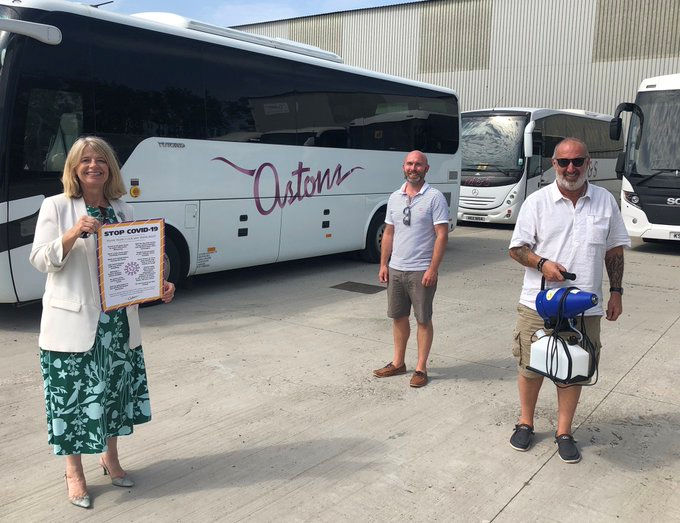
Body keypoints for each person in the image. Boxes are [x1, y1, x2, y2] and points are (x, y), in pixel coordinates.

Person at [30, 136, 175, 508]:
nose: (94, 166)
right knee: (72, 403)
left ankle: (110, 458)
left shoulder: (122, 210)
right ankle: (73, 471)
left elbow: (135, 266)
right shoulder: (56, 207)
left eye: (101, 160)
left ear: (110, 168)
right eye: (85, 160)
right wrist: (73, 232)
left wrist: (159, 285)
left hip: (118, 327)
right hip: (73, 326)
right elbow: (40, 260)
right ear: (74, 168)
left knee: (112, 396)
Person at [507, 137, 630, 463]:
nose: (571, 168)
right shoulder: (536, 203)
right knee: (531, 366)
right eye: (564, 162)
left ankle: (564, 431)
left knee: (573, 368)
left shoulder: (605, 201)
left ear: (589, 163)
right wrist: (541, 263)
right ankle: (525, 422)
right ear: (553, 164)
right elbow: (516, 249)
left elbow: (614, 250)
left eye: (578, 161)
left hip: (586, 305)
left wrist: (616, 291)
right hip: (539, 303)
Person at [372, 150, 449, 388]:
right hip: (396, 268)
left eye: (418, 164)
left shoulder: (434, 197)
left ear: (426, 169)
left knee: (423, 319)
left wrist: (432, 268)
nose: (413, 168)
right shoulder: (395, 197)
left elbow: (441, 235)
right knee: (398, 317)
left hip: (420, 270)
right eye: (409, 164)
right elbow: (389, 232)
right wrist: (384, 263)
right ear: (403, 167)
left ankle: (420, 368)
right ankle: (398, 363)